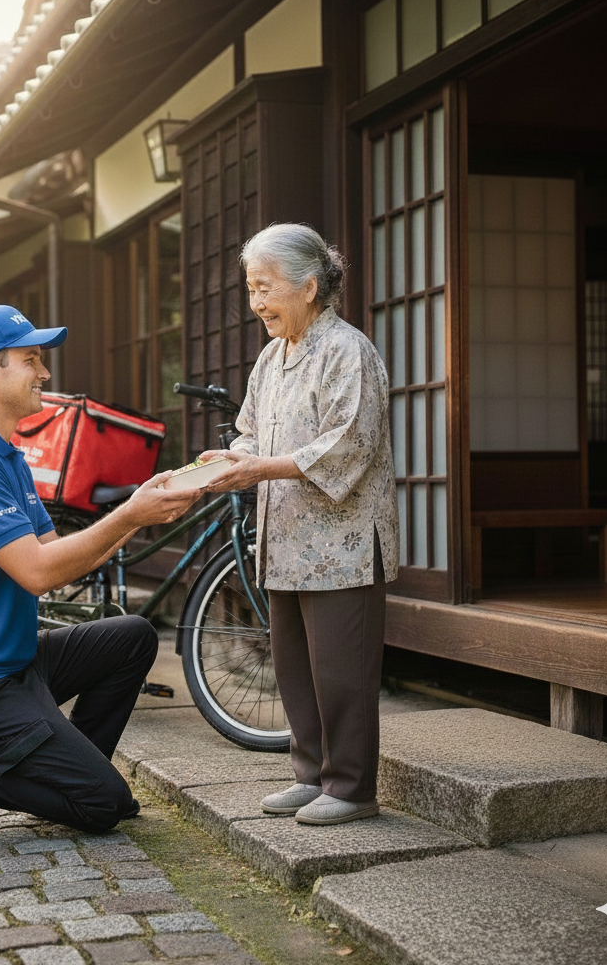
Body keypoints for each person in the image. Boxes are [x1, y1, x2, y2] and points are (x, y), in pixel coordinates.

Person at [0, 304, 202, 836]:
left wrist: (139, 511)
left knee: (132, 637)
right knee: (104, 807)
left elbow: (59, 559)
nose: (44, 373)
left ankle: (72, 768)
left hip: (14, 664)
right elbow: (38, 574)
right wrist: (130, 514)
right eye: (31, 360)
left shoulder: (6, 456)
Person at [202, 223, 399, 826]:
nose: (256, 302)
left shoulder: (347, 350)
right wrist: (230, 461)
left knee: (341, 673)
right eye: (251, 289)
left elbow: (348, 445)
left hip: (343, 545)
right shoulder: (272, 356)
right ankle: (311, 775)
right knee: (293, 667)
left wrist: (258, 467)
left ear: (309, 287)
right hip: (285, 539)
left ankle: (352, 788)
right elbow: (251, 432)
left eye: (265, 287)